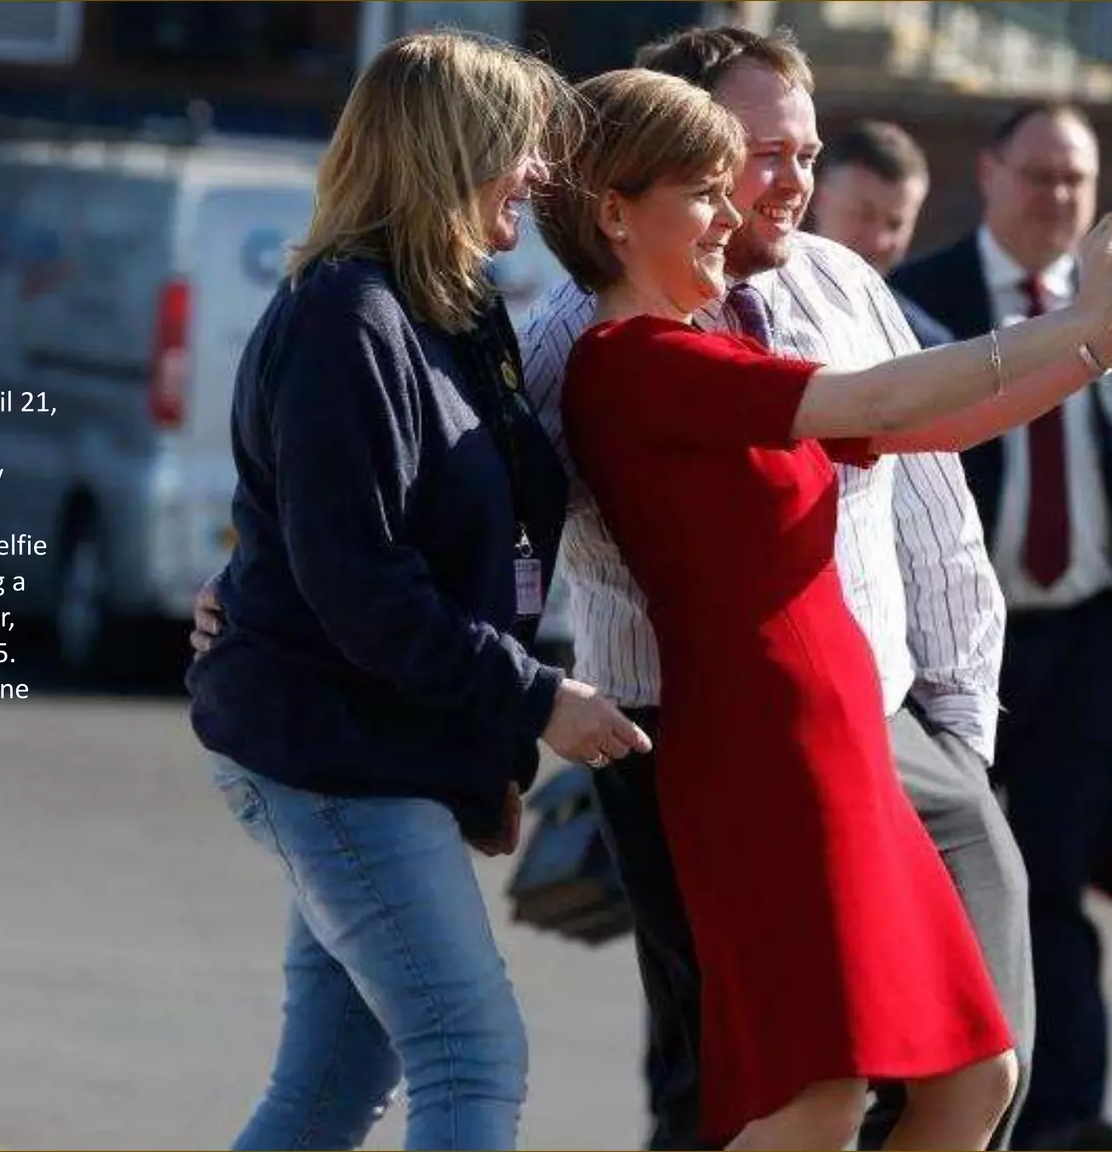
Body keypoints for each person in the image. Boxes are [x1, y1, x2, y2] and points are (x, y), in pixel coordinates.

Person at [538, 67, 1112, 1150]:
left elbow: (922, 426)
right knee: (817, 1096)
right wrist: (1075, 309)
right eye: (705, 191)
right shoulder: (628, 361)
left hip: (848, 729)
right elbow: (880, 398)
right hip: (762, 748)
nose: (733, 211)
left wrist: (1105, 336)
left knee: (973, 1074)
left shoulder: (717, 349)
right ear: (614, 212)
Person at [185, 33, 648, 1151]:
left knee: (332, 1089)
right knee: (470, 1059)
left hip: (391, 754)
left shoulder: (459, 308)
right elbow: (361, 586)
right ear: (451, 151)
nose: (538, 173)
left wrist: (474, 761)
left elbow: (484, 550)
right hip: (328, 754)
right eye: (520, 147)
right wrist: (535, 703)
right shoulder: (342, 321)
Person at [892, 102, 1112, 1151]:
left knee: (1054, 889)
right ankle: (926, 1101)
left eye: (1074, 182)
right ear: (987, 173)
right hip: (946, 651)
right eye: (1036, 175)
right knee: (942, 887)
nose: (1055, 199)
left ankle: (1064, 1119)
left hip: (1080, 643)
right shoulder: (918, 302)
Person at [809, 118, 953, 348]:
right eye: (863, 215)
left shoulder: (924, 346)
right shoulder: (755, 304)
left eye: (895, 224)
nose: (878, 240)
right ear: (818, 198)